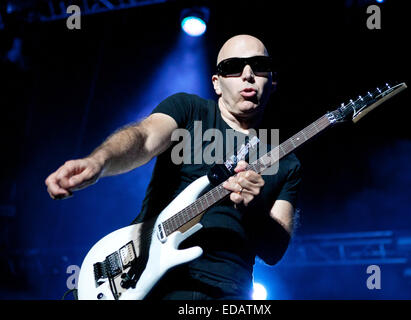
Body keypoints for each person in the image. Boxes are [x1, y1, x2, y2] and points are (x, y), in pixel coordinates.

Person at [45, 34, 301, 300]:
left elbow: (274, 251)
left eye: (258, 66)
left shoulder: (287, 163)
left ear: (272, 80)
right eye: (233, 67)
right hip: (143, 275)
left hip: (227, 292)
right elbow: (143, 138)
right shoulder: (189, 110)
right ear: (216, 83)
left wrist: (255, 208)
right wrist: (100, 160)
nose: (247, 75)